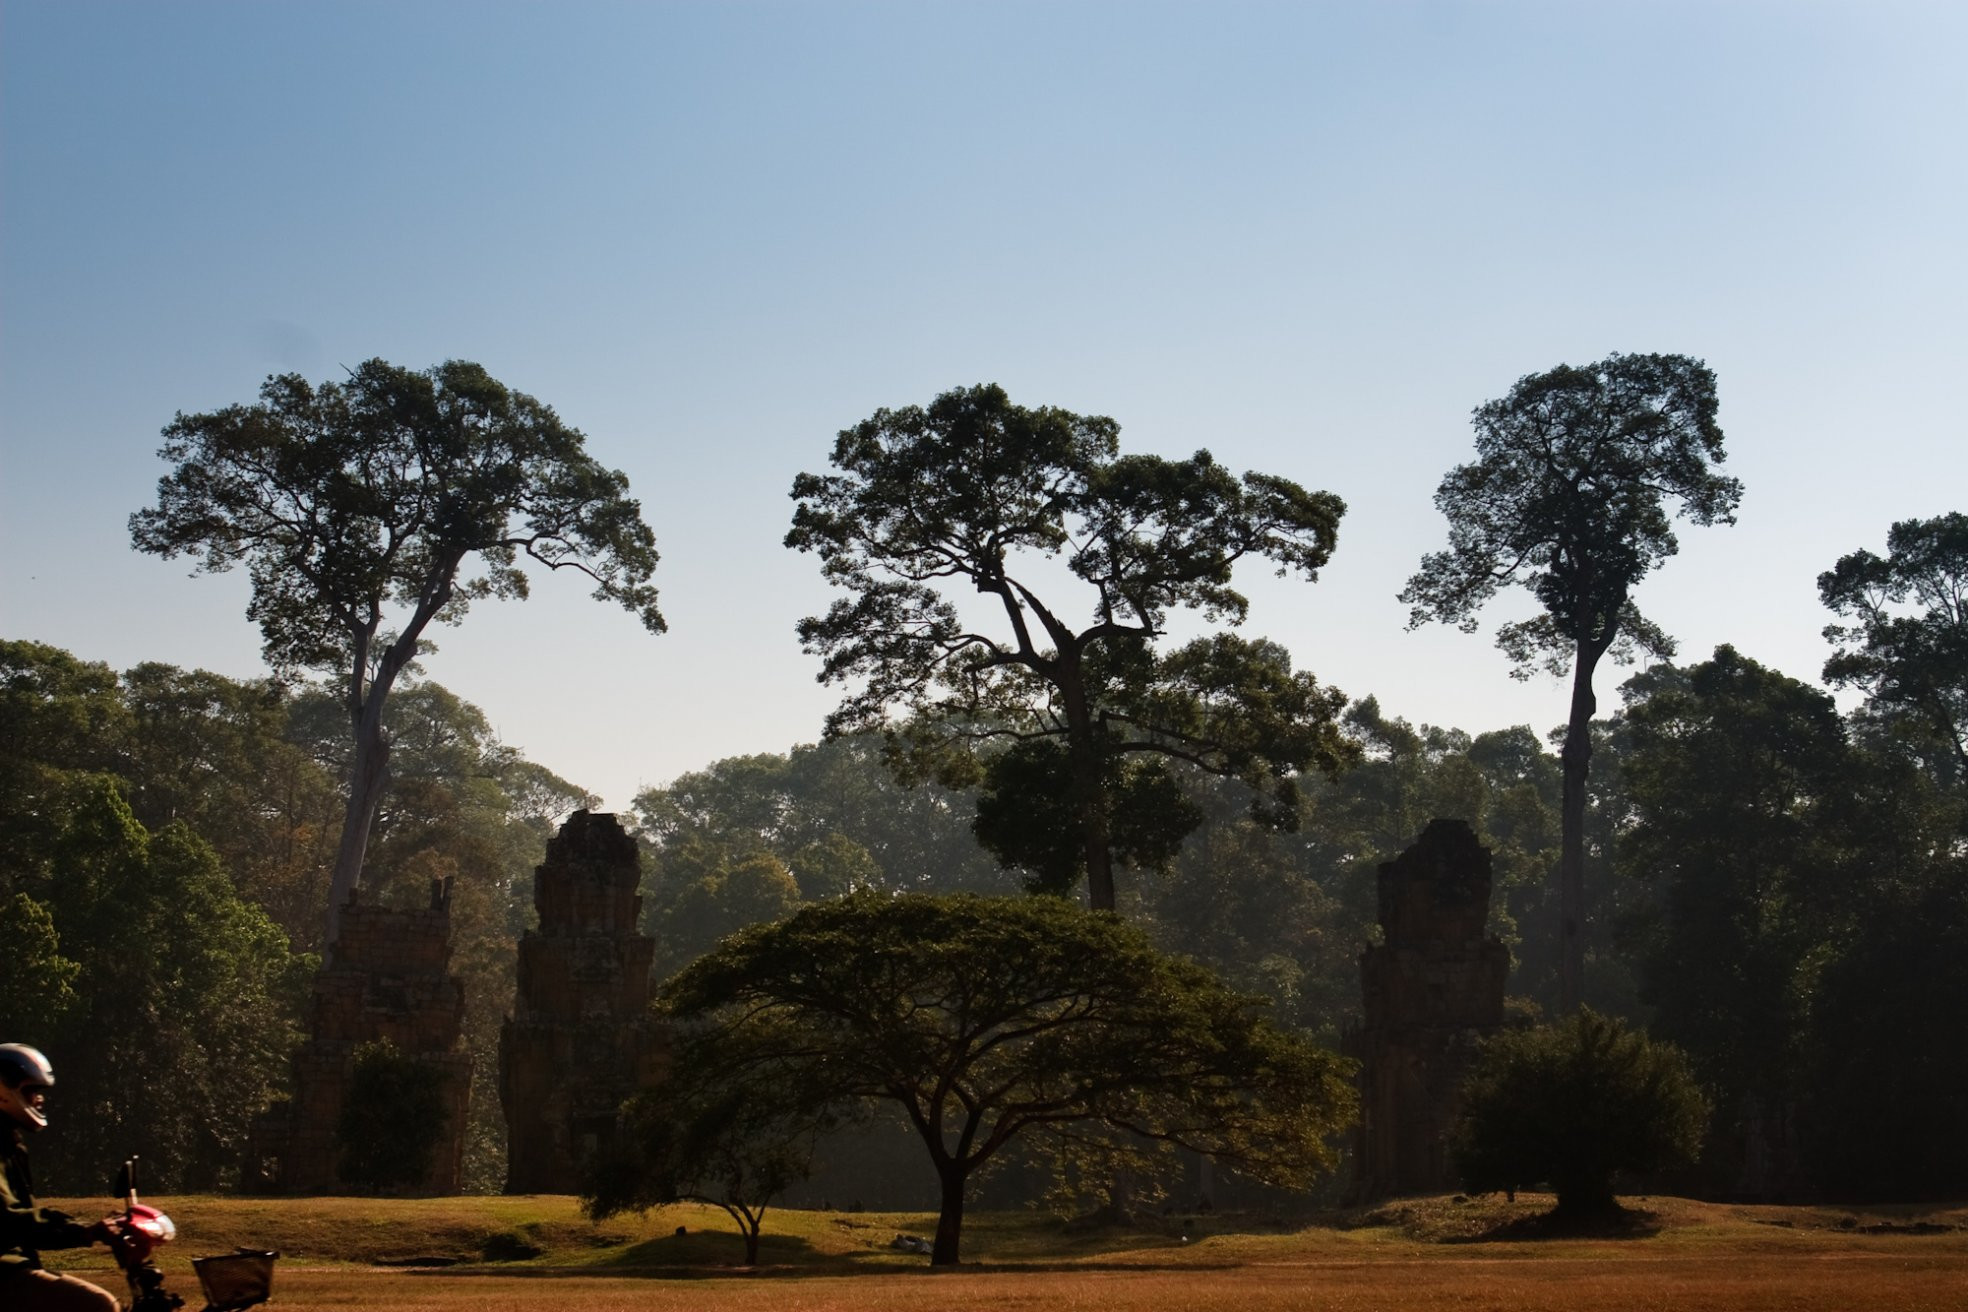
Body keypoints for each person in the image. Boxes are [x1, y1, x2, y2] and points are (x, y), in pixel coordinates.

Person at [1, 1044, 120, 1312]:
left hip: (12, 1266)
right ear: (5, 1091)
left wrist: (83, 1228)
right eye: (32, 1091)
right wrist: (82, 1231)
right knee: (97, 1305)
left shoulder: (10, 1144)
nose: (39, 1101)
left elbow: (26, 1219)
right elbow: (9, 1219)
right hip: (4, 1270)